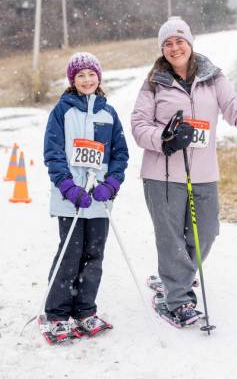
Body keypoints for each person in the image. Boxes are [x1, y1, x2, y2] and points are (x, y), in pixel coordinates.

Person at [131, 17, 237, 326]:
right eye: (168, 43)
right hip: (162, 175)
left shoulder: (213, 78)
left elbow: (234, 108)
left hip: (203, 173)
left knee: (207, 233)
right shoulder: (154, 82)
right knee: (171, 238)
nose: (175, 48)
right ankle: (177, 300)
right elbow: (138, 125)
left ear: (190, 43)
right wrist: (164, 139)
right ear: (162, 49)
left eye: (179, 41)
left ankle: (175, 277)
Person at [44, 52, 129, 338]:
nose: (87, 79)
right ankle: (57, 313)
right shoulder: (62, 111)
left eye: (91, 74)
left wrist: (112, 184)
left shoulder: (108, 113)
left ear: (99, 77)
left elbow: (120, 154)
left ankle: (85, 310)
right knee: (70, 253)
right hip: (70, 198)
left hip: (98, 199)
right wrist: (67, 186)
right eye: (80, 75)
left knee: (94, 254)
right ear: (72, 80)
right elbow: (53, 154)